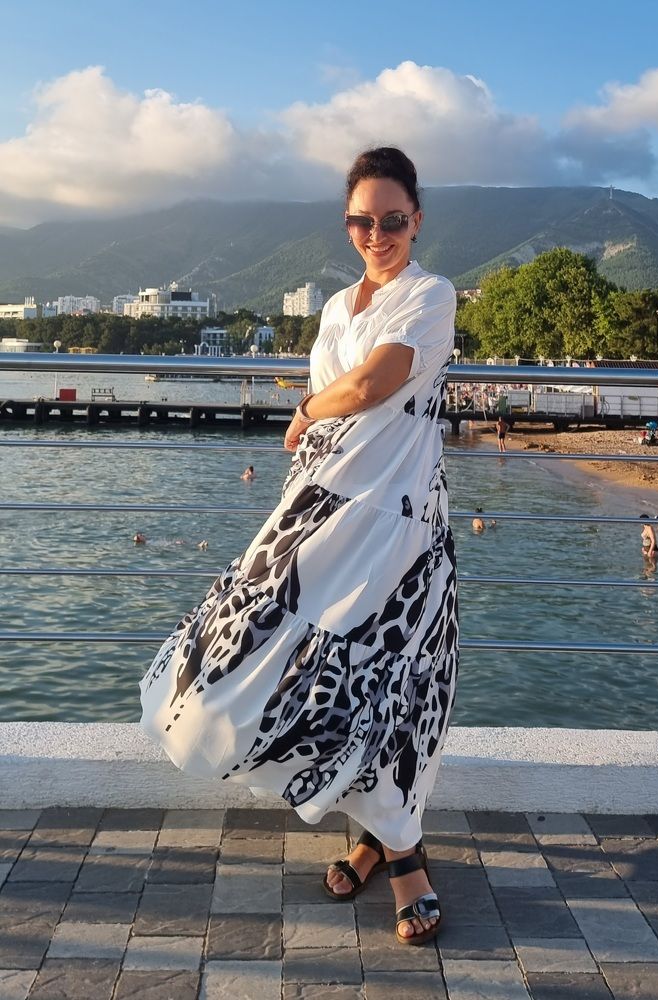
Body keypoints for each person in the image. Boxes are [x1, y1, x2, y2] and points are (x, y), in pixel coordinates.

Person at [139, 147, 456, 947]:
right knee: (255, 666)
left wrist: (307, 410)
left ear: (416, 220)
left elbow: (375, 383)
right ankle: (374, 836)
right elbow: (343, 387)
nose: (376, 234)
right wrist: (313, 427)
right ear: (346, 224)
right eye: (361, 221)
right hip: (314, 510)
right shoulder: (337, 306)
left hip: (393, 523)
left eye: (392, 220)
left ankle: (400, 854)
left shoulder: (430, 294)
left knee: (388, 687)